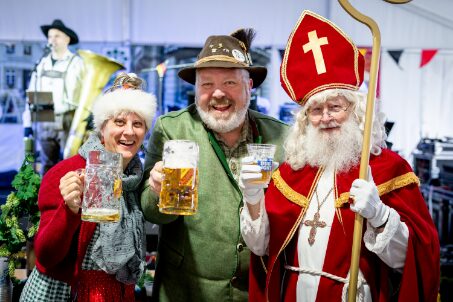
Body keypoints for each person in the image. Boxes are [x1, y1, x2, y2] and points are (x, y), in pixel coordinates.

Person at [240, 11, 440, 302]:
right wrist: (254, 199)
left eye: (335, 106)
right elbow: (260, 249)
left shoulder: (388, 169)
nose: (326, 118)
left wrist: (381, 216)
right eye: (316, 111)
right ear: (305, 120)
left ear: (356, 111)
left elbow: (412, 260)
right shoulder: (291, 172)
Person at [140, 28, 288, 301]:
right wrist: (156, 192)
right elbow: (151, 213)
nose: (218, 93)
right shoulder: (172, 129)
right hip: (185, 291)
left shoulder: (280, 137)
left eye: (230, 83)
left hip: (256, 291)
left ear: (249, 86)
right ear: (196, 89)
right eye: (207, 84)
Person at [20, 73, 157, 301]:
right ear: (102, 127)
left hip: (119, 293)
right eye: (119, 122)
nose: (129, 132)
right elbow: (45, 256)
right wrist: (69, 210)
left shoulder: (137, 179)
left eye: (138, 124)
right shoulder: (67, 172)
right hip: (65, 294)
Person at [27, 19, 84, 174]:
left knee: (70, 161)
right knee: (47, 162)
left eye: (57, 36)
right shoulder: (41, 63)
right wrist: (28, 122)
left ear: (67, 39)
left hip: (68, 116)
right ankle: (46, 197)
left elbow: (85, 92)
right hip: (45, 115)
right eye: (50, 36)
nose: (52, 39)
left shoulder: (76, 63)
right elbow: (32, 92)